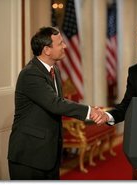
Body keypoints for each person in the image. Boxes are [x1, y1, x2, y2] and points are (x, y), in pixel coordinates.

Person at [7, 27, 105, 180]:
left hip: (49, 154)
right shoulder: (30, 74)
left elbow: (58, 104)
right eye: (60, 43)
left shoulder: (55, 70)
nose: (65, 46)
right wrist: (90, 111)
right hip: (29, 156)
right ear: (47, 50)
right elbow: (55, 103)